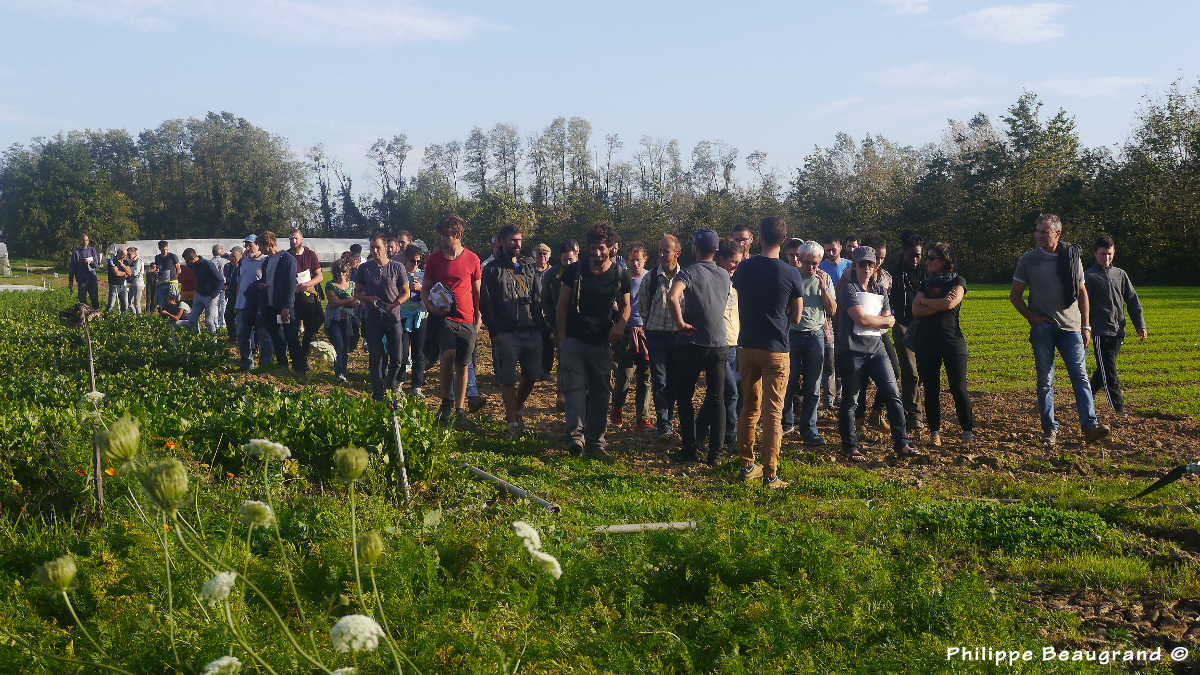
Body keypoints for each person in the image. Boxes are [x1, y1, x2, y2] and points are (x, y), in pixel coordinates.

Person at [1011, 214, 1110, 446]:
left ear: (1057, 233)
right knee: (1046, 380)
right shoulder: (1028, 260)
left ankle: (1089, 426)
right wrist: (1033, 319)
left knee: (1081, 377)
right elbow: (1015, 296)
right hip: (1043, 328)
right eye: (1037, 231)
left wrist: (1086, 325)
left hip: (1072, 328)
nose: (1039, 235)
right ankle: (1049, 429)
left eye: (1044, 231)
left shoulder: (1071, 257)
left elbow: (1082, 292)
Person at [733, 217, 803, 489]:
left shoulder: (744, 268)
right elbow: (796, 316)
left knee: (748, 408)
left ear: (760, 237)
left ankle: (746, 466)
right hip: (775, 349)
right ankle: (770, 475)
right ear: (783, 240)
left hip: (747, 346)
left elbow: (741, 296)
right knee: (773, 413)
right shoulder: (790, 273)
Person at [556, 222, 631, 462]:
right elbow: (562, 306)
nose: (597, 253)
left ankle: (596, 445)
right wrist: (563, 339)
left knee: (601, 393)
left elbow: (627, 304)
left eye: (601, 248)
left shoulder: (620, 273)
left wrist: (621, 324)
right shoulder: (574, 271)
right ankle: (575, 439)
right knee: (574, 389)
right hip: (575, 342)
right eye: (593, 248)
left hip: (602, 344)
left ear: (611, 248)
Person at [836, 246, 917, 462]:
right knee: (851, 401)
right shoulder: (848, 290)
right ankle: (850, 446)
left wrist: (881, 320)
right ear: (854, 266)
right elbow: (862, 320)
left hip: (877, 349)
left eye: (869, 265)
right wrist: (882, 320)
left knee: (893, 394)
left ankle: (902, 444)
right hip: (852, 351)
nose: (866, 268)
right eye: (861, 264)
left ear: (874, 267)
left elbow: (889, 320)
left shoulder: (880, 290)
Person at [665, 229, 731, 464]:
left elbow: (672, 296)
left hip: (693, 342)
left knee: (685, 396)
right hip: (720, 343)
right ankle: (716, 454)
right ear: (715, 251)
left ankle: (689, 449)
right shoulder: (724, 275)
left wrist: (680, 323)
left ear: (695, 248)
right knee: (717, 399)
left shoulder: (689, 272)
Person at [481, 223, 544, 440]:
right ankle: (513, 424)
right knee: (507, 379)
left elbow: (537, 300)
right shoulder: (491, 269)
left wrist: (541, 329)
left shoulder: (529, 266)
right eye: (512, 240)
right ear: (502, 242)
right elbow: (486, 303)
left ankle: (515, 408)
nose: (517, 244)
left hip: (530, 331)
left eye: (519, 240)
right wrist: (494, 333)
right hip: (505, 333)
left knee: (532, 375)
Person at [910, 242, 974, 448]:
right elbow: (915, 310)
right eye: (927, 257)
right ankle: (935, 434)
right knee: (931, 390)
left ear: (945, 260)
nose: (927, 261)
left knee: (958, 389)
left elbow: (949, 304)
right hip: (926, 344)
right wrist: (936, 304)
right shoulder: (925, 283)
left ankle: (967, 435)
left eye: (932, 257)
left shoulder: (958, 281)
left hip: (952, 342)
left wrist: (927, 302)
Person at [423, 214, 482, 423]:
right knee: (448, 355)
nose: (441, 239)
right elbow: (425, 289)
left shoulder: (473, 259)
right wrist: (431, 308)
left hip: (466, 319)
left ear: (457, 235)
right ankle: (445, 402)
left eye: (445, 235)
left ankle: (459, 408)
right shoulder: (434, 259)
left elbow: (476, 291)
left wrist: (478, 315)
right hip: (444, 318)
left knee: (463, 365)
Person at [1084, 234, 1147, 418]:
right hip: (1099, 332)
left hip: (1118, 331)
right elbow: (1082, 307)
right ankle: (1119, 409)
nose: (1106, 258)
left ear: (1114, 253)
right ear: (1095, 253)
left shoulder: (1120, 274)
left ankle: (1086, 395)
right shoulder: (1088, 277)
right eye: (1102, 254)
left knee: (1103, 369)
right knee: (1109, 372)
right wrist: (1085, 328)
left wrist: (1140, 324)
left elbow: (1133, 301)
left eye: (1109, 254)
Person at [782, 240, 836, 445]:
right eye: (807, 263)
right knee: (788, 382)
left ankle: (809, 429)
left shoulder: (825, 279)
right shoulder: (791, 276)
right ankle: (786, 424)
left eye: (815, 263)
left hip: (815, 336)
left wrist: (823, 289)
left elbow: (832, 311)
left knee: (813, 385)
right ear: (799, 259)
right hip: (792, 335)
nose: (811, 267)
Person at [696, 239, 743, 455]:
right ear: (720, 259)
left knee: (717, 394)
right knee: (731, 393)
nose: (735, 266)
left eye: (738, 262)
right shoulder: (714, 282)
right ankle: (729, 438)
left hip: (734, 344)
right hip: (719, 345)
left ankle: (701, 430)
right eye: (732, 262)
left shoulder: (733, 282)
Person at [354, 234, 410, 400]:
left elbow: (406, 292)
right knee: (375, 358)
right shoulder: (365, 268)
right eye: (372, 247)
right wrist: (369, 299)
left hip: (393, 317)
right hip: (373, 318)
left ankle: (391, 384)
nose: (375, 250)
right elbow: (357, 293)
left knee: (398, 357)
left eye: (377, 247)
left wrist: (395, 303)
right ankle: (378, 394)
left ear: (386, 246)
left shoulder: (397, 267)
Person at [640, 235, 683, 443]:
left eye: (666, 251)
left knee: (674, 382)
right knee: (659, 380)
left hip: (678, 337)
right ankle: (663, 421)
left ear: (677, 253)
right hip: (656, 336)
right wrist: (649, 330)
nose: (662, 254)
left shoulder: (686, 277)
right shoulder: (651, 278)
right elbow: (643, 308)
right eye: (660, 250)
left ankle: (669, 418)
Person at [612, 241, 652, 431]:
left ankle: (642, 419)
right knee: (625, 374)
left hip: (645, 332)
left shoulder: (651, 278)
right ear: (627, 260)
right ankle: (617, 405)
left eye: (639, 260)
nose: (635, 264)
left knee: (645, 377)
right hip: (626, 332)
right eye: (632, 260)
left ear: (645, 260)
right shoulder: (621, 278)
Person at [890, 231, 926, 432]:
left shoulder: (925, 275)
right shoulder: (894, 275)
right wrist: (895, 321)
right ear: (903, 252)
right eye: (911, 255)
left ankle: (908, 408)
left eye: (918, 255)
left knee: (921, 372)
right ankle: (914, 415)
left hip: (922, 326)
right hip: (902, 325)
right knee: (910, 371)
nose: (915, 259)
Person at [258, 231, 304, 375]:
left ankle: (299, 368)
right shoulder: (267, 261)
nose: (259, 249)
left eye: (260, 246)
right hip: (271, 306)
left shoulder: (287, 259)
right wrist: (261, 285)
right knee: (277, 336)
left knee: (290, 336)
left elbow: (291, 284)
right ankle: (282, 364)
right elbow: (267, 279)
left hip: (283, 307)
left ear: (268, 244)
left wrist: (286, 307)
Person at [543, 239, 580, 412]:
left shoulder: (584, 272)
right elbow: (546, 300)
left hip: (580, 324)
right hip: (559, 324)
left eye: (570, 260)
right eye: (564, 260)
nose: (567, 263)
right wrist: (552, 321)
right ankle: (561, 394)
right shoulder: (551, 274)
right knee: (562, 358)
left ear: (577, 254)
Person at [819, 235, 851, 408]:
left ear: (840, 248)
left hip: (845, 315)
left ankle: (840, 392)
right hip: (827, 316)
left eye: (834, 249)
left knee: (842, 353)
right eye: (828, 250)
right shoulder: (821, 267)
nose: (831, 252)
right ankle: (828, 394)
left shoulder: (848, 266)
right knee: (829, 356)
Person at [235, 235, 273, 371]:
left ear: (258, 245)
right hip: (243, 304)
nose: (248, 248)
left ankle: (265, 364)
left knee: (264, 335)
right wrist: (237, 303)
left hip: (259, 304)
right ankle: (247, 363)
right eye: (246, 245)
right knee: (242, 334)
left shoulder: (266, 261)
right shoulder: (244, 262)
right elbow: (240, 282)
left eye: (251, 245)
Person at [289, 228, 324, 365]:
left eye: (296, 238)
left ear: (302, 239)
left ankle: (305, 352)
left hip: (309, 294)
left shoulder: (310, 255)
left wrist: (307, 284)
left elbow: (319, 276)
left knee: (317, 320)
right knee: (292, 327)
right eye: (291, 238)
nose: (294, 241)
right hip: (293, 296)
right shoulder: (286, 256)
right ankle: (297, 357)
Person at [399, 244, 428, 397]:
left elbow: (431, 295)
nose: (415, 264)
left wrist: (421, 288)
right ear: (406, 258)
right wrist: (406, 288)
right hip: (402, 316)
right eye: (413, 261)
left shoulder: (423, 275)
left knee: (418, 352)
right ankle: (400, 380)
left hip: (420, 317)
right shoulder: (399, 273)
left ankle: (416, 386)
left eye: (418, 261)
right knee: (402, 352)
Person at [324, 261, 356, 383]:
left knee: (346, 347)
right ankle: (339, 372)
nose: (341, 274)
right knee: (339, 345)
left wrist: (340, 301)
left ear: (347, 272)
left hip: (348, 319)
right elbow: (333, 303)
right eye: (338, 271)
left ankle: (344, 371)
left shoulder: (352, 284)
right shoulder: (330, 284)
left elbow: (355, 303)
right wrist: (348, 300)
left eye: (343, 271)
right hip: (334, 319)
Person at [182, 248, 223, 336]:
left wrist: (214, 295)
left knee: (209, 321)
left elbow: (221, 280)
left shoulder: (208, 265)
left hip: (210, 296)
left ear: (192, 258)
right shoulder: (195, 266)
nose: (186, 263)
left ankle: (214, 342)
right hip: (199, 294)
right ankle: (198, 338)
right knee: (192, 319)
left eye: (187, 260)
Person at [532, 243, 555, 381]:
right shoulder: (528, 271)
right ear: (534, 255)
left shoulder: (553, 271)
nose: (542, 256)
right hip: (533, 309)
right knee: (534, 341)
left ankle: (546, 370)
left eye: (544, 254)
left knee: (549, 340)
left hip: (549, 310)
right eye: (539, 254)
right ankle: (534, 370)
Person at [67, 234, 100, 309]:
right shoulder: (76, 252)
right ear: (79, 241)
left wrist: (90, 262)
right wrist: (70, 280)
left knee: (94, 300)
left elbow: (96, 265)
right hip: (82, 280)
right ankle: (84, 316)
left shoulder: (92, 250)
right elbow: (72, 267)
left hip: (92, 280)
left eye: (86, 240)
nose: (85, 242)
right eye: (83, 240)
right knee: (82, 302)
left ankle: (96, 315)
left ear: (88, 241)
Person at [153, 240, 181, 310]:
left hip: (171, 283)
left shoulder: (172, 256)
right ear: (159, 249)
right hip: (161, 283)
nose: (165, 251)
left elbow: (178, 269)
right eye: (163, 249)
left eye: (166, 249)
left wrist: (175, 278)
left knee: (171, 302)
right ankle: (163, 316)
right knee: (161, 302)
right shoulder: (157, 257)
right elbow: (157, 268)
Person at [223, 246, 243, 340]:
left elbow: (238, 283)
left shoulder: (241, 268)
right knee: (228, 315)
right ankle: (233, 336)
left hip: (238, 295)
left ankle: (238, 336)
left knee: (237, 317)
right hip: (231, 295)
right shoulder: (232, 267)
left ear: (234, 259)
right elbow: (229, 279)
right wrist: (227, 285)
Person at [105, 246, 130, 314]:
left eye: (125, 255)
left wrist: (123, 266)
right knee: (111, 304)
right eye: (122, 254)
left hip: (123, 285)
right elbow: (117, 273)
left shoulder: (125, 261)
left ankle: (123, 319)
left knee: (125, 305)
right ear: (118, 253)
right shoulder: (112, 260)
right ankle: (106, 317)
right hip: (114, 285)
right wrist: (125, 273)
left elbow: (130, 272)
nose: (123, 256)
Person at [126, 247, 145, 314]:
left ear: (134, 253)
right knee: (128, 303)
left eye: (129, 254)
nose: (128, 256)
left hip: (138, 284)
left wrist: (127, 269)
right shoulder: (132, 262)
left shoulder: (138, 261)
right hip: (132, 284)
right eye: (127, 254)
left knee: (136, 304)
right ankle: (134, 315)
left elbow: (135, 272)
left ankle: (140, 318)